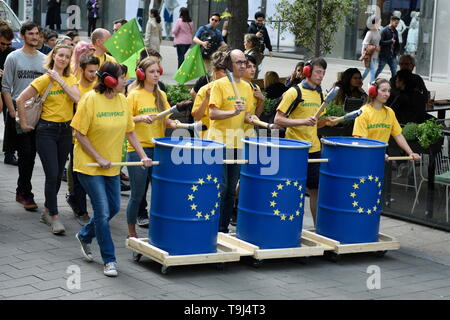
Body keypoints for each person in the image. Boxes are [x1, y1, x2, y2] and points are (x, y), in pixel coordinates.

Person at [73, 62, 153, 277]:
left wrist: (144, 156)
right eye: (122, 77)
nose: (126, 81)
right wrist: (97, 157)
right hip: (89, 166)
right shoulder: (90, 99)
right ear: (109, 80)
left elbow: (130, 132)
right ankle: (109, 259)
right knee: (102, 211)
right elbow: (79, 133)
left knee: (114, 207)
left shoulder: (123, 101)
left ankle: (84, 234)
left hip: (111, 166)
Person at [16, 43, 80, 234]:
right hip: (46, 131)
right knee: (52, 174)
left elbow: (78, 99)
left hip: (66, 130)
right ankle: (54, 216)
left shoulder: (70, 78)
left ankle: (46, 211)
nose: (63, 59)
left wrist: (60, 80)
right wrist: (25, 124)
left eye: (67, 57)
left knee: (58, 172)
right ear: (53, 56)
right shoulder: (44, 79)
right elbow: (20, 99)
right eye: (60, 55)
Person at [274, 58, 338, 225]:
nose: (321, 76)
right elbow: (278, 120)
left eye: (323, 72)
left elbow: (316, 122)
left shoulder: (321, 94)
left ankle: (317, 228)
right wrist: (302, 121)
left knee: (316, 190)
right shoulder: (293, 93)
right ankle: (291, 226)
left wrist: (327, 121)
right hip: (295, 149)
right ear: (307, 71)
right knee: (295, 189)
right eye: (318, 72)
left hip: (314, 148)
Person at [126, 57, 180, 238]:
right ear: (142, 74)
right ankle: (131, 231)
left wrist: (173, 123)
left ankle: (158, 229)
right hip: (138, 149)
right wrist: (140, 118)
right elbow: (124, 122)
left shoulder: (161, 95)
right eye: (152, 72)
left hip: (159, 149)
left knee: (159, 191)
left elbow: (166, 121)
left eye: (158, 71)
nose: (156, 75)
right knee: (138, 194)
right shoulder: (133, 95)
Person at [207, 49, 257, 233]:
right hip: (218, 144)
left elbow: (247, 116)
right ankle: (210, 224)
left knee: (230, 191)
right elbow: (212, 113)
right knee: (221, 186)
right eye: (238, 62)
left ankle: (222, 228)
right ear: (229, 64)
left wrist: (256, 120)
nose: (243, 66)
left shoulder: (247, 87)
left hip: (238, 144)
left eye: (244, 62)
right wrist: (233, 112)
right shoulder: (219, 85)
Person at [2, 21, 46, 211]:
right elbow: (6, 87)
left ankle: (22, 190)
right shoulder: (13, 57)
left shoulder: (45, 59)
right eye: (31, 34)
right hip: (19, 112)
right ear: (22, 36)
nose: (35, 37)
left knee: (31, 154)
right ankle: (25, 193)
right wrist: (12, 112)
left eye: (37, 34)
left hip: (39, 114)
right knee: (25, 153)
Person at [67, 55, 100, 226]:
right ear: (81, 69)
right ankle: (81, 209)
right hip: (76, 137)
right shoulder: (76, 87)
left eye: (96, 71)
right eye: (90, 71)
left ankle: (74, 199)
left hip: (96, 138)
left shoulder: (98, 88)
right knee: (78, 174)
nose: (94, 74)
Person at [352, 78, 421, 159]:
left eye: (388, 91)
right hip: (365, 158)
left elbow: (398, 135)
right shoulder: (363, 112)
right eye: (383, 90)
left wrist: (411, 153)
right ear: (373, 91)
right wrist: (377, 153)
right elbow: (363, 140)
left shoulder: (390, 112)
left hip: (381, 156)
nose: (387, 94)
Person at [191, 50, 227, 139]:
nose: (227, 76)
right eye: (224, 72)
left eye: (229, 72)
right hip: (208, 138)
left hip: (229, 137)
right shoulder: (204, 90)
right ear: (215, 70)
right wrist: (206, 98)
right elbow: (197, 117)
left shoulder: (233, 89)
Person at [0, 21, 17, 166]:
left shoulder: (11, 52)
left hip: (6, 90)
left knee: (10, 121)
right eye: (2, 43)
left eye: (7, 44)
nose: (4, 46)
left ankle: (9, 153)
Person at [361, 16, 381, 83]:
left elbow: (378, 42)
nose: (380, 24)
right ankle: (372, 84)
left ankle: (358, 81)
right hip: (368, 54)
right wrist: (364, 55)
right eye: (379, 23)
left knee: (366, 70)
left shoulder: (378, 31)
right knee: (372, 69)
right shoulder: (370, 32)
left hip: (375, 54)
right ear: (374, 23)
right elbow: (365, 44)